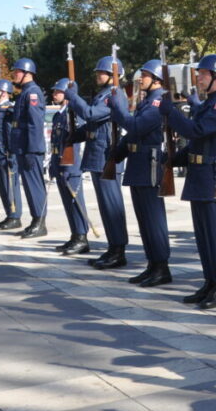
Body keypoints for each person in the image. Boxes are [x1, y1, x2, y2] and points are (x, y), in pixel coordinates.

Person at [159, 54, 216, 309]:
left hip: (213, 177)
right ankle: (210, 281)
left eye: (203, 73)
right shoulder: (208, 103)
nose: (198, 77)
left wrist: (171, 112)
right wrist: (173, 159)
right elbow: (196, 143)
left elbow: (196, 131)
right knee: (203, 236)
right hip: (199, 175)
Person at [109, 60, 172, 286]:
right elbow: (133, 133)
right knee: (144, 219)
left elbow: (136, 127)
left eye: (144, 75)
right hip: (139, 163)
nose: (140, 79)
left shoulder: (158, 100)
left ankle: (162, 267)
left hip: (150, 165)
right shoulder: (147, 100)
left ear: (156, 78)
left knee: (153, 219)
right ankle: (152, 264)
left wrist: (118, 109)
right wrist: (118, 152)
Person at [64, 56, 130, 267]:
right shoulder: (103, 94)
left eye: (102, 72)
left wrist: (74, 98)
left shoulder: (114, 94)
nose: (97, 75)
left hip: (106, 157)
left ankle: (118, 251)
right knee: (104, 206)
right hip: (97, 156)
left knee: (112, 207)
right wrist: (75, 135)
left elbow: (91, 114)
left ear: (114, 75)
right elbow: (93, 126)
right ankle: (112, 248)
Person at [48, 79, 90, 255]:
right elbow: (55, 141)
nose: (55, 94)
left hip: (71, 165)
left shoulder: (74, 114)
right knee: (67, 202)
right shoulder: (59, 115)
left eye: (59, 91)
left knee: (75, 201)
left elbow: (76, 141)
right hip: (60, 162)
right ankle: (74, 235)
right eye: (55, 91)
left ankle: (82, 237)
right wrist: (53, 163)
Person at [9, 58, 48, 238]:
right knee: (29, 186)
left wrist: (32, 150)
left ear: (27, 73)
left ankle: (40, 223)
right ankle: (35, 220)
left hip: (30, 148)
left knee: (35, 186)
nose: (14, 74)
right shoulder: (25, 92)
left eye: (17, 71)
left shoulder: (32, 93)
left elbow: (35, 124)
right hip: (23, 147)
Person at [0, 80, 22, 229]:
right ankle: (9, 214)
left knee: (10, 187)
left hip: (5, 153)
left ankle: (15, 216)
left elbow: (10, 133)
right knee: (2, 186)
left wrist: (10, 153)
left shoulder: (8, 110)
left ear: (4, 92)